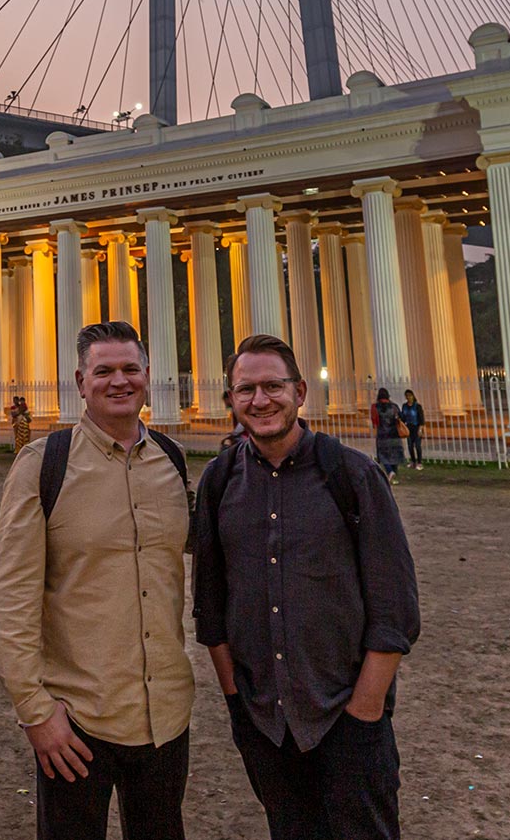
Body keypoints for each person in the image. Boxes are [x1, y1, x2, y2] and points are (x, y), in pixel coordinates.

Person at [194, 334, 420, 840]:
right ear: (230, 399)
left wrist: (364, 712)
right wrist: (236, 701)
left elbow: (395, 608)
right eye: (245, 389)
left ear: (299, 391)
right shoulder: (220, 481)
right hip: (265, 722)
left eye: (273, 386)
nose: (260, 400)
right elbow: (210, 605)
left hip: (346, 716)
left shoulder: (352, 475)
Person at [0, 320, 194, 840]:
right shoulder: (43, 466)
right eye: (103, 371)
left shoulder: (172, 462)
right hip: (77, 719)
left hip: (164, 716)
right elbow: (11, 599)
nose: (118, 381)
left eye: (130, 369)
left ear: (148, 376)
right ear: (81, 382)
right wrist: (36, 714)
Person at [372, 390, 405, 481]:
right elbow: (401, 417)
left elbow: (374, 422)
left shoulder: (375, 407)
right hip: (394, 434)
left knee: (383, 456)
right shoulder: (394, 407)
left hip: (382, 435)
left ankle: (390, 471)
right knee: (395, 454)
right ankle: (394, 473)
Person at [398, 390, 426, 471]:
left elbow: (421, 418)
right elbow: (403, 417)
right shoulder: (404, 406)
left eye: (410, 395)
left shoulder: (417, 406)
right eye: (407, 396)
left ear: (413, 396)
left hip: (416, 427)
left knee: (417, 445)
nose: (408, 397)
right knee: (410, 445)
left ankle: (419, 462)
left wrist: (420, 429)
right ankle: (413, 461)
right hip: (408, 427)